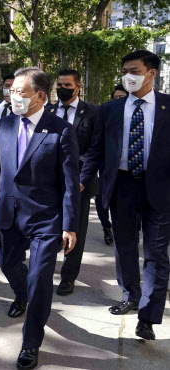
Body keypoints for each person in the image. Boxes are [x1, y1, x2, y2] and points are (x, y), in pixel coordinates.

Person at [0, 67, 79, 369]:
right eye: (11, 91)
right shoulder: (6, 124)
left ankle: (30, 343)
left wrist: (70, 224)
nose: (13, 97)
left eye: (20, 92)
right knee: (9, 265)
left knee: (39, 279)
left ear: (40, 96)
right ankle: (21, 295)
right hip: (8, 212)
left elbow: (69, 182)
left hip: (46, 219)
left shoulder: (60, 129)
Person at [81, 50, 170, 341]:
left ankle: (147, 316)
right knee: (125, 246)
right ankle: (131, 294)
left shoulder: (168, 106)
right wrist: (82, 181)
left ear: (151, 73)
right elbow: (96, 150)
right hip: (121, 187)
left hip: (160, 188)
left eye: (134, 70)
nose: (127, 76)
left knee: (156, 253)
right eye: (125, 71)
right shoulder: (110, 109)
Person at [46, 68, 97, 296]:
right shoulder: (47, 111)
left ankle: (68, 277)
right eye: (59, 85)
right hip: (49, 182)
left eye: (67, 86)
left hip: (78, 183)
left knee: (75, 229)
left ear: (78, 87)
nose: (62, 89)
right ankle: (44, 270)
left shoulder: (92, 114)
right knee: (49, 228)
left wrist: (82, 180)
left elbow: (95, 150)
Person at [94, 84, 130, 246]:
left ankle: (129, 232)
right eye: (115, 97)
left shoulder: (137, 118)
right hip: (106, 168)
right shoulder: (106, 114)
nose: (118, 100)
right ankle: (106, 228)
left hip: (127, 171)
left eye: (121, 97)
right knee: (101, 200)